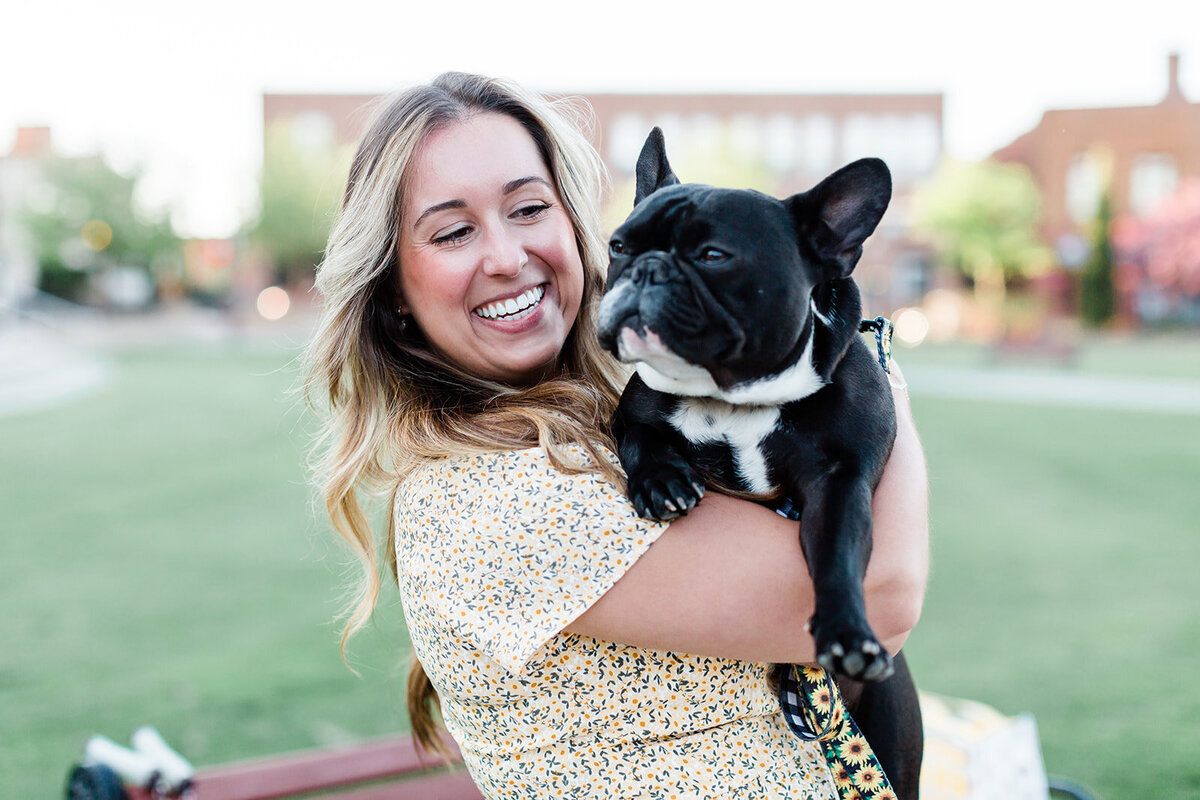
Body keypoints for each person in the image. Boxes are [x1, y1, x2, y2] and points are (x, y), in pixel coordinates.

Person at [304, 72, 929, 799]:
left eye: (529, 208)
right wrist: (863, 370)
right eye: (453, 231)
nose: (506, 256)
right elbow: (881, 603)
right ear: (394, 294)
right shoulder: (491, 501)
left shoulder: (616, 427)